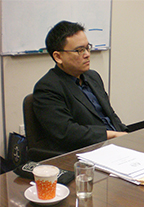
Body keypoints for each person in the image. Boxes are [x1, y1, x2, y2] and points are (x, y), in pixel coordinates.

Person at [33, 20, 128, 152]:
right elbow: (66, 132)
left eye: (87, 47)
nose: (87, 54)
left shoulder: (92, 77)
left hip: (115, 144)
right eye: (79, 50)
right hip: (87, 153)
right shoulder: (47, 88)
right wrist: (110, 134)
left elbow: (110, 114)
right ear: (58, 57)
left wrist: (127, 135)